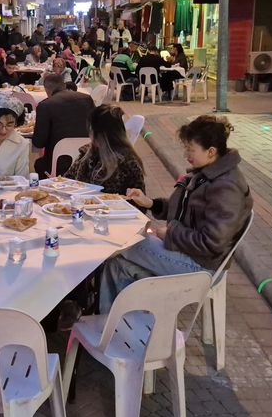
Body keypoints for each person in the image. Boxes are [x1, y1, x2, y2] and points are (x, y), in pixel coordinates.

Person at [99, 115, 253, 313]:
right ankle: (116, 325)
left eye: (191, 150)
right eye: (186, 148)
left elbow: (211, 243)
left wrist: (170, 234)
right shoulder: (206, 172)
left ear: (211, 151)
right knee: (116, 264)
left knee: (125, 242)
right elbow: (183, 210)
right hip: (186, 253)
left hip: (202, 266)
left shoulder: (226, 187)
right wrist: (150, 203)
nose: (186, 155)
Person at [64, 105, 145, 195]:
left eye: (91, 129)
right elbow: (67, 180)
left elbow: (139, 200)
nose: (89, 134)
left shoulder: (128, 163)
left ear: (99, 135)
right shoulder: (86, 153)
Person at [32, 74, 95, 177]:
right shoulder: (87, 98)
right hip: (87, 159)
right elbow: (96, 126)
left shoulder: (45, 105)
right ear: (64, 85)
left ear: (47, 90)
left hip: (58, 164)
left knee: (39, 164)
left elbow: (39, 142)